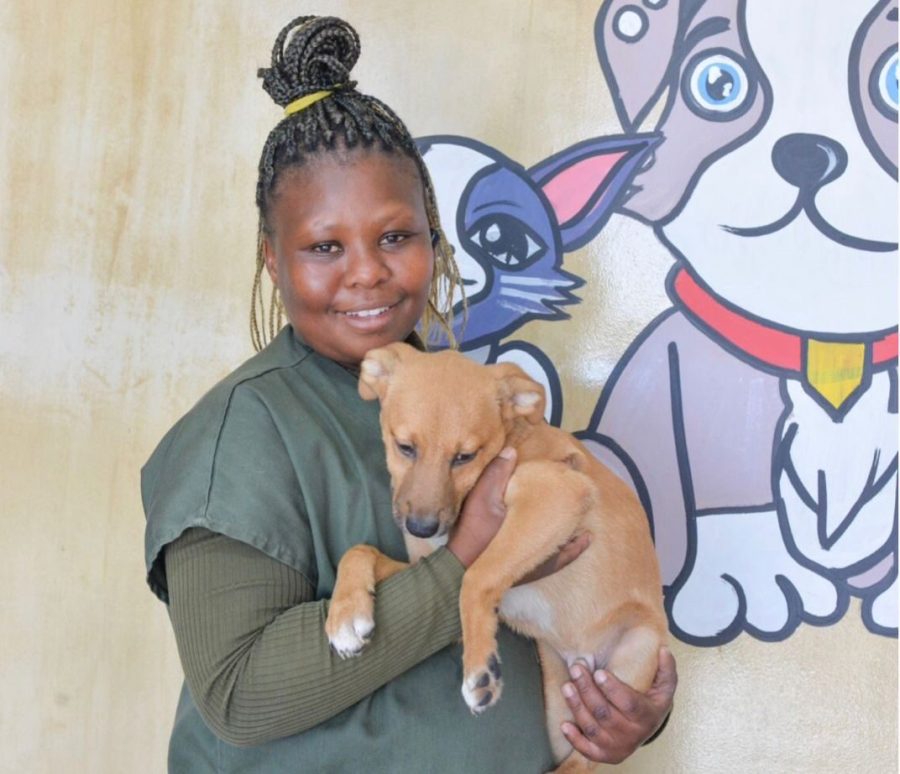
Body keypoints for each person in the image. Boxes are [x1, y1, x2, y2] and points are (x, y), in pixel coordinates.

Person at [142, 14, 676, 773]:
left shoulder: (472, 404)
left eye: (397, 237)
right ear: (272, 258)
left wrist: (631, 712)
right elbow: (241, 698)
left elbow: (578, 603)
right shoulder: (240, 435)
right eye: (325, 246)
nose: (367, 272)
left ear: (435, 239)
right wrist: (466, 558)